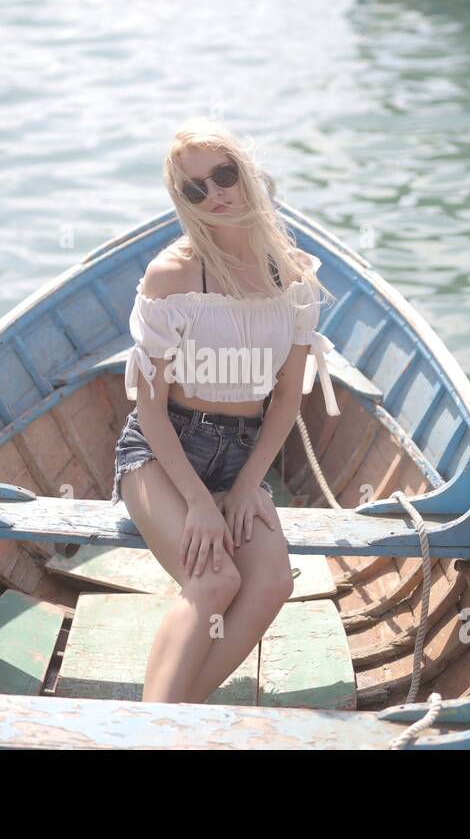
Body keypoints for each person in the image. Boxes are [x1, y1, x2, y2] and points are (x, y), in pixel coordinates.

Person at [110, 117, 341, 704]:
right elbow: (151, 409)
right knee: (213, 580)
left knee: (271, 582)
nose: (215, 192)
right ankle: (157, 733)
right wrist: (196, 502)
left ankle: (174, 716)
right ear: (183, 201)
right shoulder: (174, 275)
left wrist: (246, 486)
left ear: (245, 172)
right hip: (162, 455)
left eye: (223, 174)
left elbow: (287, 397)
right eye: (195, 188)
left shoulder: (292, 277)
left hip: (243, 454)